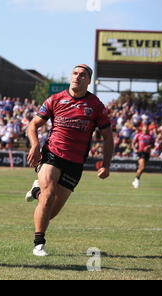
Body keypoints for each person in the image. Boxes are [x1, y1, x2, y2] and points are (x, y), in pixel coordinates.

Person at [25, 64, 113, 257]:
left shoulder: (96, 105)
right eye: (74, 73)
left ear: (88, 81)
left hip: (75, 161)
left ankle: (36, 190)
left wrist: (106, 165)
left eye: (82, 75)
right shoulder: (55, 99)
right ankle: (39, 243)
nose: (77, 77)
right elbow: (33, 125)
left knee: (51, 211)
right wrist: (35, 145)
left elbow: (108, 137)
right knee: (48, 196)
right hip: (52, 154)